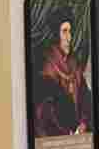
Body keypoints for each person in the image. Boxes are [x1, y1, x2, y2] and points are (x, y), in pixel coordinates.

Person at [33, 11, 88, 139]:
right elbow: (44, 113)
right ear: (56, 35)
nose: (69, 37)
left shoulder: (75, 64)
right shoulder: (47, 67)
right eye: (64, 31)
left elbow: (85, 98)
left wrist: (83, 124)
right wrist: (67, 131)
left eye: (70, 31)